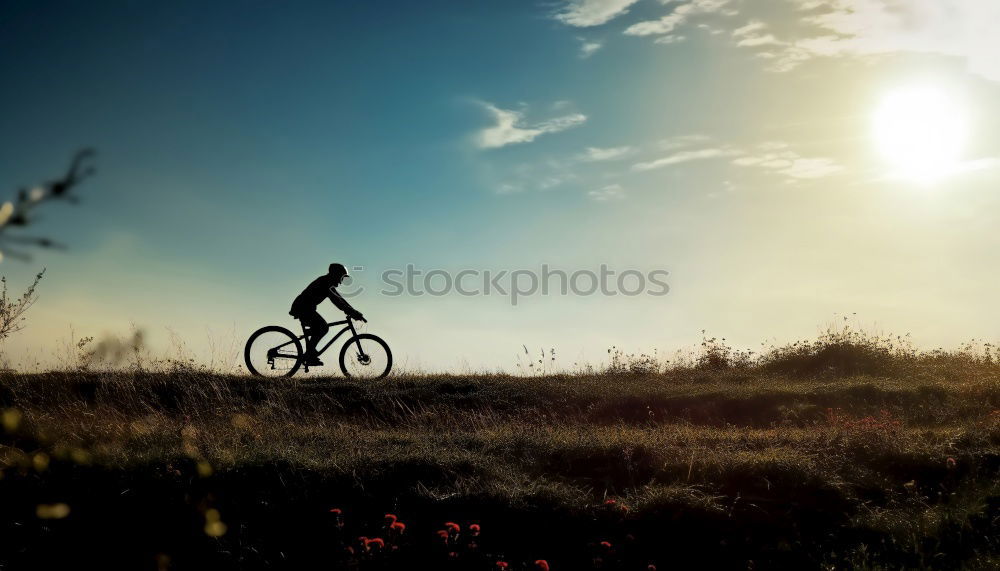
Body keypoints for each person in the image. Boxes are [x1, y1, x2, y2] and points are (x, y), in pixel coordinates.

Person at [290, 263, 364, 366]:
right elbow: (337, 302)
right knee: (323, 327)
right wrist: (351, 312)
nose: (341, 281)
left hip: (305, 307)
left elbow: (341, 299)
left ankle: (310, 352)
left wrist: (353, 311)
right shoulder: (325, 283)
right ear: (335, 274)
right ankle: (310, 354)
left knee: (320, 328)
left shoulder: (328, 283)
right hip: (303, 307)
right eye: (341, 277)